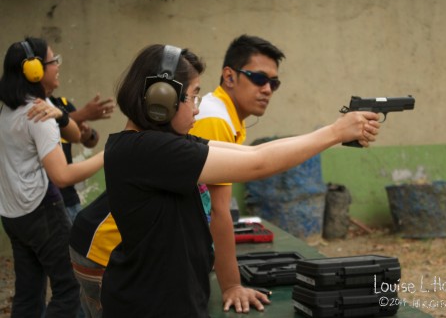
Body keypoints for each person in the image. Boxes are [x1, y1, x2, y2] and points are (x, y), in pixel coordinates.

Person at [99, 43, 381, 317]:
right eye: (193, 96)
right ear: (162, 99)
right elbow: (257, 165)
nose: (197, 108)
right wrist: (334, 132)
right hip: (150, 306)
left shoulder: (152, 144)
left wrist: (334, 132)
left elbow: (256, 153)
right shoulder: (149, 150)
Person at [0, 37, 104, 317]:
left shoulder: (11, 110)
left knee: (28, 293)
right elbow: (62, 175)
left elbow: (72, 134)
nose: (57, 65)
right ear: (34, 70)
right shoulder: (38, 115)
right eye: (52, 60)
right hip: (43, 212)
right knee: (70, 291)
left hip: (13, 215)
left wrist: (60, 114)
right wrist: (107, 156)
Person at [189, 34, 285, 313]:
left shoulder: (222, 115)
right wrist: (231, 286)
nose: (267, 89)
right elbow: (218, 211)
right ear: (229, 77)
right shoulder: (214, 119)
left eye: (274, 83)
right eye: (258, 78)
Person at [50, 93, 115, 222]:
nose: (57, 71)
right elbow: (51, 123)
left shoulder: (62, 103)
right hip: (48, 201)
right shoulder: (36, 107)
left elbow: (89, 140)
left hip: (69, 198)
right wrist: (82, 114)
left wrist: (88, 133)